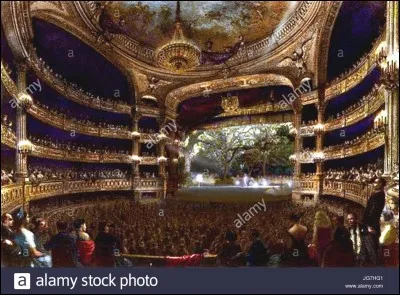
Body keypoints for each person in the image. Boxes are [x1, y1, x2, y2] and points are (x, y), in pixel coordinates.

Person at [359, 177, 386, 266]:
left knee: (372, 252)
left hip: (370, 227)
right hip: (368, 226)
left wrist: (368, 226)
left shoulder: (378, 196)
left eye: (376, 182)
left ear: (381, 184)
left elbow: (373, 212)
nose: (374, 184)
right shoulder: (378, 195)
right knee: (364, 252)